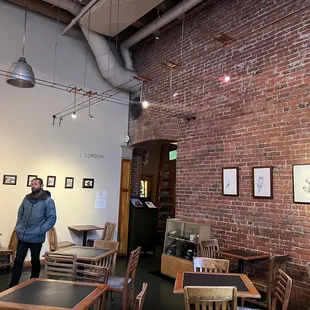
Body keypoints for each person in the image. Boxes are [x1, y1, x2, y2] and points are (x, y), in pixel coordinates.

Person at [9, 178, 56, 287]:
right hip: (23, 236)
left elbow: (51, 219)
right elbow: (20, 212)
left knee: (35, 260)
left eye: (36, 184)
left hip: (36, 237)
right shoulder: (26, 199)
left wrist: (40, 230)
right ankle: (12, 286)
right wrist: (18, 226)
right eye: (32, 184)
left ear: (41, 185)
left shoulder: (48, 201)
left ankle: (33, 283)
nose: (33, 186)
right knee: (18, 261)